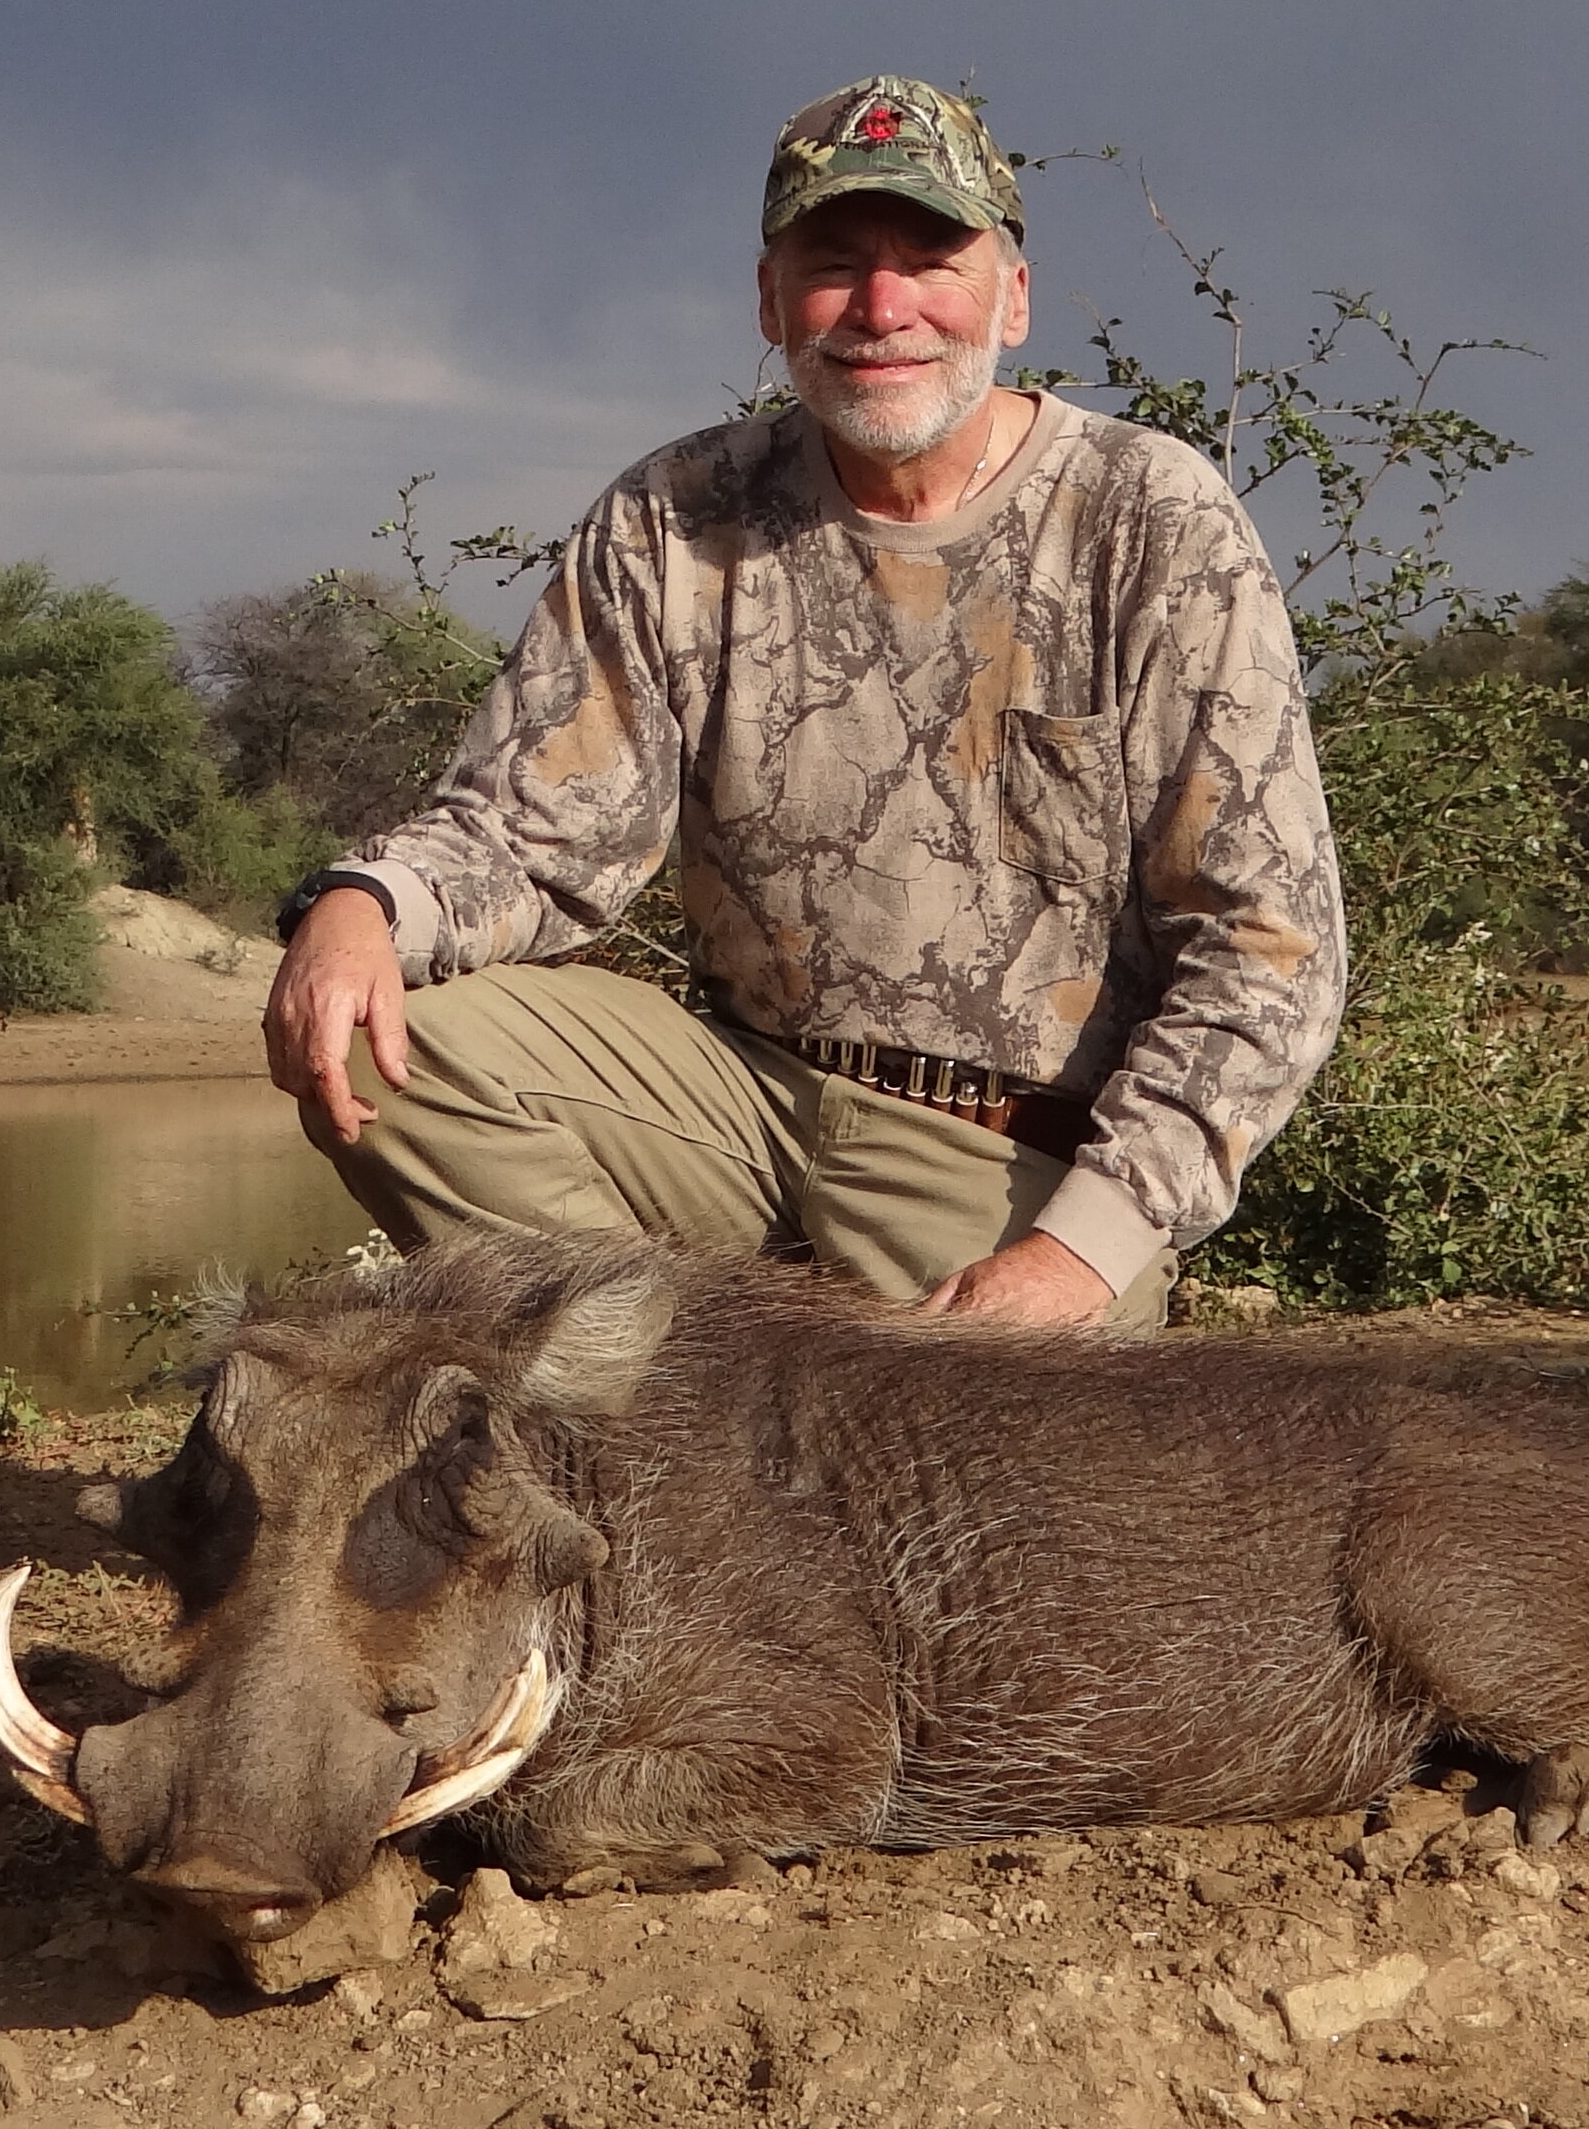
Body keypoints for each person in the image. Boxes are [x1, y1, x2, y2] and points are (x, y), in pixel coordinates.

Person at [261, 76, 1345, 1328]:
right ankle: (666, 1401)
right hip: (736, 1106)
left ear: (1015, 294)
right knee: (387, 1040)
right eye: (835, 264)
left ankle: (717, 1411)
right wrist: (361, 904)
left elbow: (1272, 946)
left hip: (1004, 1164)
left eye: (933, 258)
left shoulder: (1150, 514)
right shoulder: (673, 512)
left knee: (956, 1505)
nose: (883, 309)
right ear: (772, 300)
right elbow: (532, 833)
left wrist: (1080, 1254)